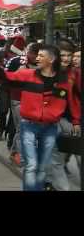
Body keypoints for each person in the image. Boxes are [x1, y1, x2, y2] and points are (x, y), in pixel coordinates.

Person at [0, 45, 81, 191]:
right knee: (31, 165)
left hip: (50, 128)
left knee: (43, 166)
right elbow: (7, 77)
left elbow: (72, 101)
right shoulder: (28, 74)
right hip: (29, 127)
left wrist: (76, 121)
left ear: (51, 60)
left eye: (41, 56)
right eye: (37, 55)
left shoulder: (64, 80)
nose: (37, 58)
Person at [44, 41, 80, 191]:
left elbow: (75, 99)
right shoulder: (47, 73)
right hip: (51, 122)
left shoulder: (75, 73)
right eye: (62, 55)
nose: (66, 58)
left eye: (69, 55)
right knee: (55, 158)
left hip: (71, 121)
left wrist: (77, 121)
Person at [5, 42, 41, 167]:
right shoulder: (19, 63)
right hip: (18, 100)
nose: (31, 55)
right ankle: (21, 156)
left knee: (25, 129)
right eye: (30, 52)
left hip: (33, 101)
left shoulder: (43, 66)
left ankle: (15, 152)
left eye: (34, 53)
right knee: (22, 128)